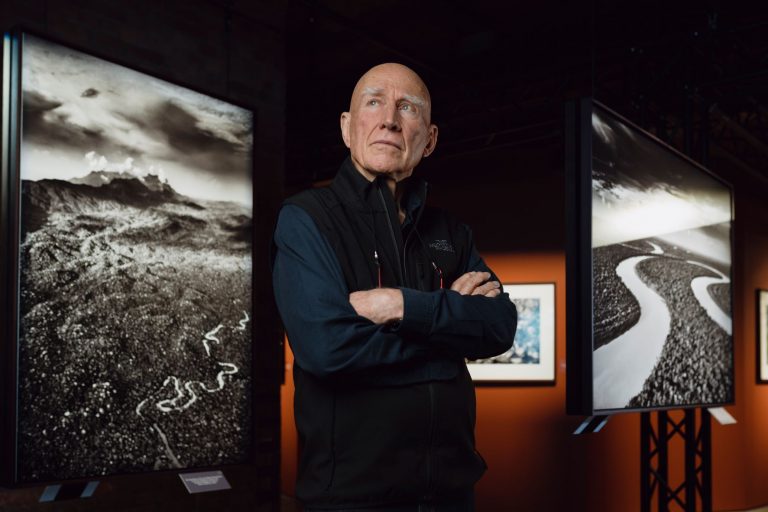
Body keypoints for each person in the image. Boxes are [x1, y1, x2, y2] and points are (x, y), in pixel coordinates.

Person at [272, 63, 517, 511]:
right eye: (374, 102)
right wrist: (448, 336)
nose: (389, 118)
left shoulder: (451, 231)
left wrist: (402, 306)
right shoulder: (307, 218)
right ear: (348, 128)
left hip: (451, 495)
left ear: (430, 138)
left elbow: (500, 327)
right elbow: (327, 348)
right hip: (351, 499)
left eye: (408, 108)